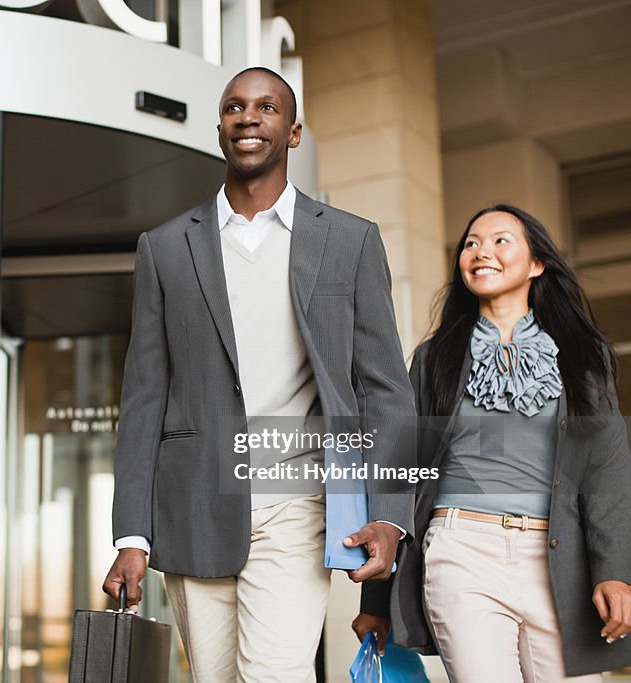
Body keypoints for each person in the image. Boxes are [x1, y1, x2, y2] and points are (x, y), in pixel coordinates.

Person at [101, 66, 416, 682]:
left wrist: (391, 511)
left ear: (293, 132)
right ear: (219, 128)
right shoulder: (164, 248)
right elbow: (143, 398)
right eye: (235, 107)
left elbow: (385, 388)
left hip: (300, 506)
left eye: (267, 107)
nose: (249, 117)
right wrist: (130, 535)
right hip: (195, 507)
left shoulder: (350, 242)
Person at [353, 204, 631, 681]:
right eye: (471, 243)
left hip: (558, 558)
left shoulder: (585, 358)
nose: (482, 252)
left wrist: (616, 570)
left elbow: (606, 471)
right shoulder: (433, 357)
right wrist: (376, 600)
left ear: (537, 263)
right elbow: (401, 472)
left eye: (501, 240)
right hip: (461, 550)